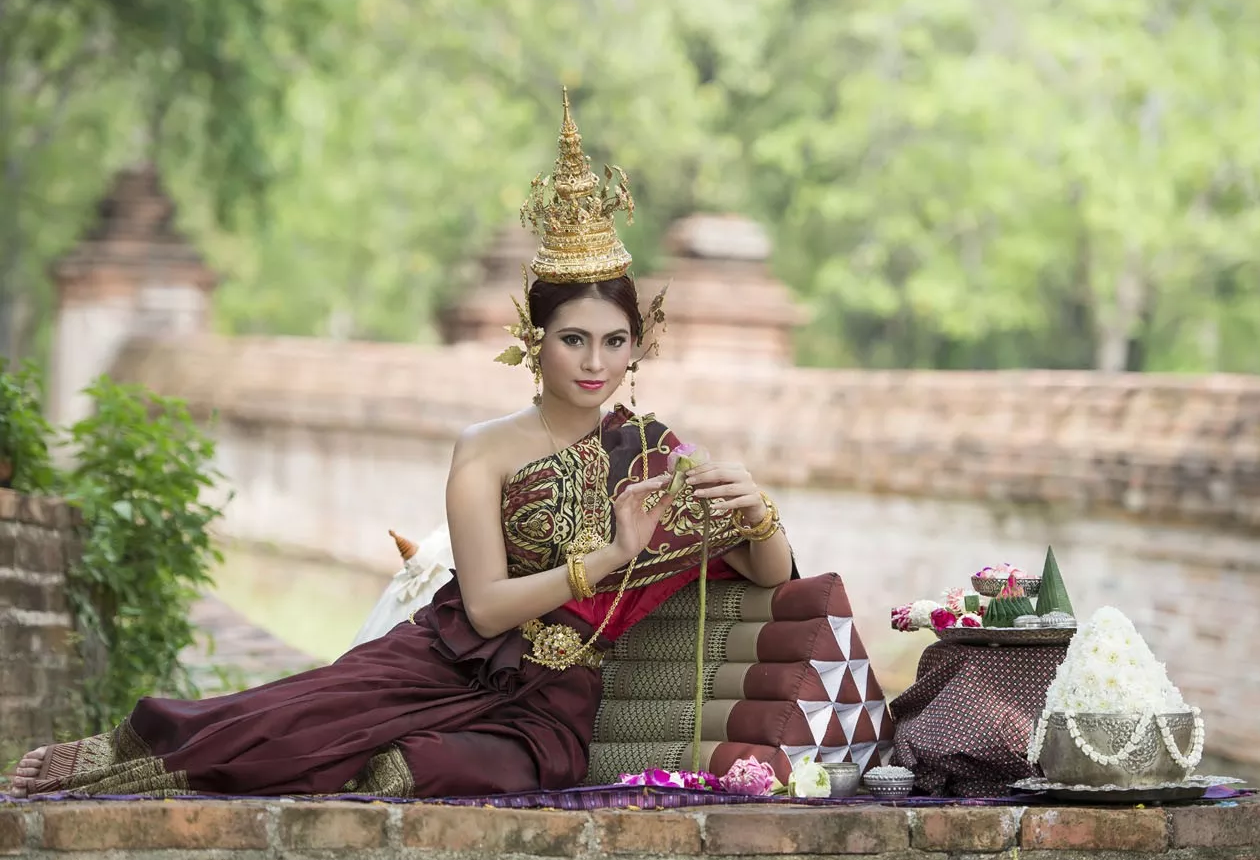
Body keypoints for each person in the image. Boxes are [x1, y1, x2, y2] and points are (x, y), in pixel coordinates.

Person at [7, 89, 795, 799]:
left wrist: (760, 515)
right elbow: (484, 604)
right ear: (532, 338)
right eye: (575, 339)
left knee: (457, 768)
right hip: (444, 657)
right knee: (289, 730)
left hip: (551, 703)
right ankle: (123, 749)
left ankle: (358, 762)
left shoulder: (654, 453)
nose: (596, 363)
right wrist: (613, 555)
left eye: (615, 341)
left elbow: (770, 570)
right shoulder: (485, 450)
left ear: (637, 346)